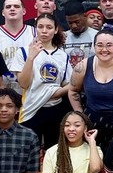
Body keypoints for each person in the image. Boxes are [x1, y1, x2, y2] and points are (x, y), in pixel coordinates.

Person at [18, 13, 72, 150]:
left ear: (55, 30)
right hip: (31, 108)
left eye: (49, 27)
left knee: (53, 153)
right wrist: (30, 58)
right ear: (35, 28)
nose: (44, 30)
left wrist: (54, 92)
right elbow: (23, 84)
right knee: (28, 153)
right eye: (40, 27)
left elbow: (69, 86)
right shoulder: (24, 52)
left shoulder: (62, 56)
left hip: (55, 109)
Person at [0, 0, 35, 92]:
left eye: (16, 6)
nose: (12, 9)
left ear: (24, 11)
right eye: (8, 7)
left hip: (29, 90)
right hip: (0, 90)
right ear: (3, 12)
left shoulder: (34, 33)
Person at [63, 1, 98, 68]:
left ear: (85, 16)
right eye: (70, 23)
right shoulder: (63, 37)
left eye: (77, 22)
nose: (74, 26)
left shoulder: (97, 36)